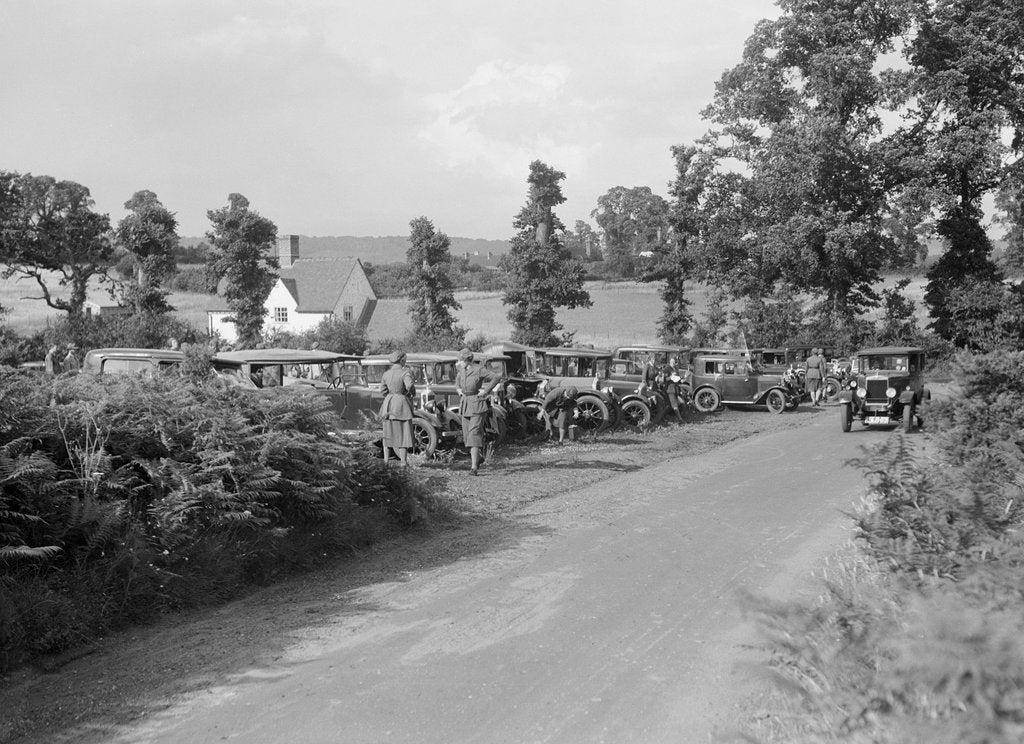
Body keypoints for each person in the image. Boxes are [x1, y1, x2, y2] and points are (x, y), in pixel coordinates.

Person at [455, 348, 500, 475]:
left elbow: (496, 377)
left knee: (474, 434)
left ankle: (474, 468)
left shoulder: (478, 369)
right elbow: (458, 382)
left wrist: (486, 391)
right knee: (466, 437)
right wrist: (458, 390)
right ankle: (478, 457)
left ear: (466, 360)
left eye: (460, 360)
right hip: (465, 404)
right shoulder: (462, 370)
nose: (459, 362)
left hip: (477, 403)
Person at [379, 350, 416, 466]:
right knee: (403, 432)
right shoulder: (405, 372)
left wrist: (390, 396)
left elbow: (382, 391)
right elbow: (409, 385)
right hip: (401, 404)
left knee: (387, 433)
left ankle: (385, 460)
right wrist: (411, 394)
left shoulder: (386, 374)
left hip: (388, 404)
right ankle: (403, 461)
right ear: (402, 360)